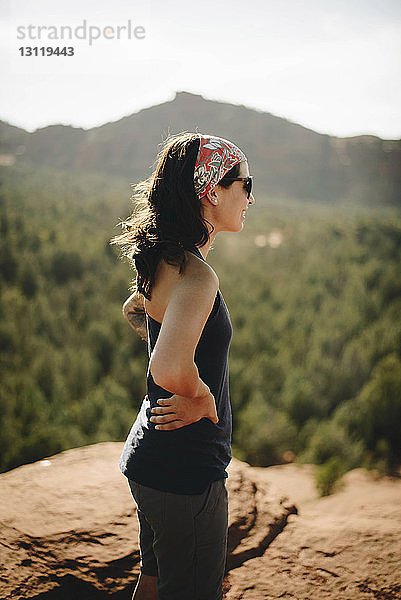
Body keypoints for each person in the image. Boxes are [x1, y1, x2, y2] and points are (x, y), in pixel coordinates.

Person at [111, 132, 255, 600]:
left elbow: (136, 310)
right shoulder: (197, 275)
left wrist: (178, 345)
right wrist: (201, 395)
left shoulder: (163, 259)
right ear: (213, 191)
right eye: (244, 184)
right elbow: (168, 365)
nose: (250, 196)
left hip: (150, 460)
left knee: (152, 586)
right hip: (187, 475)